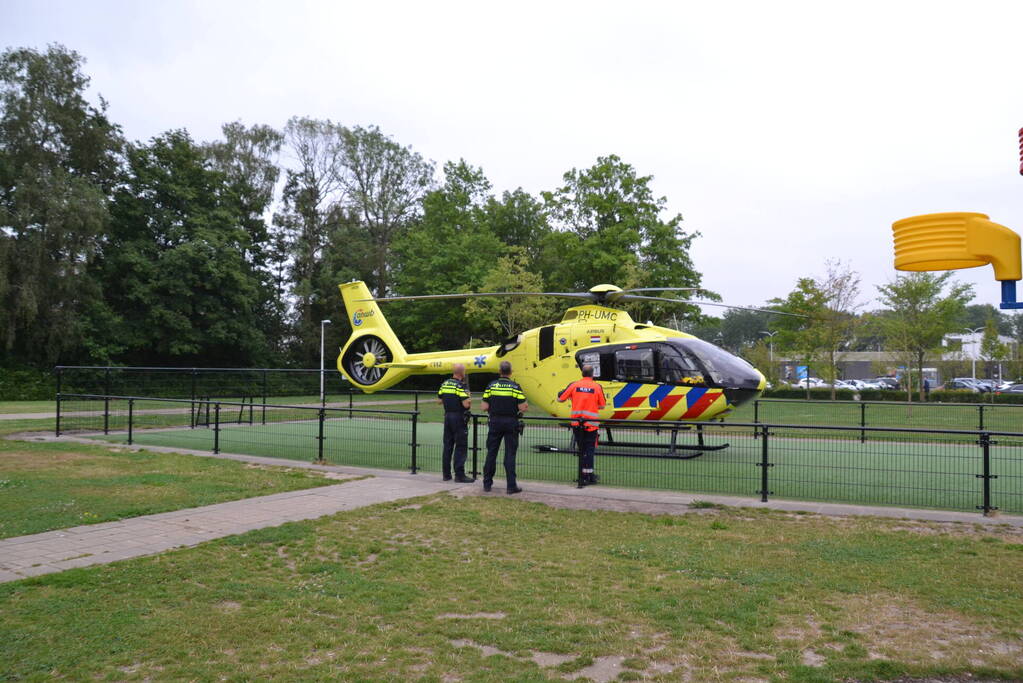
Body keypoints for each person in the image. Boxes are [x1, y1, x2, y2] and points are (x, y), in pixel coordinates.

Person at [481, 360, 528, 494]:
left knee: (491, 453)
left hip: (494, 422)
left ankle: (487, 484)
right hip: (511, 422)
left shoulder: (491, 386)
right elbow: (523, 407)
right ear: (511, 372)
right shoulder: (515, 387)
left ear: (499, 372)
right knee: (510, 454)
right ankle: (511, 486)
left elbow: (484, 406)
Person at [557, 364, 607, 486]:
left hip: (577, 424)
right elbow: (602, 405)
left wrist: (572, 397)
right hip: (591, 424)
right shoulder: (597, 387)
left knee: (582, 450)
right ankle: (589, 476)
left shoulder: (574, 385)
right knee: (589, 450)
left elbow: (560, 399)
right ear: (592, 374)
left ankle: (582, 476)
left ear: (582, 373)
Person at [437, 363, 474, 482]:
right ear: (462, 373)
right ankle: (459, 475)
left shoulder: (445, 384)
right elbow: (466, 404)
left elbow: (439, 401)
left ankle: (446, 475)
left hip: (447, 416)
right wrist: (469, 397)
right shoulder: (461, 386)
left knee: (448, 446)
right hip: (458, 418)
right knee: (460, 446)